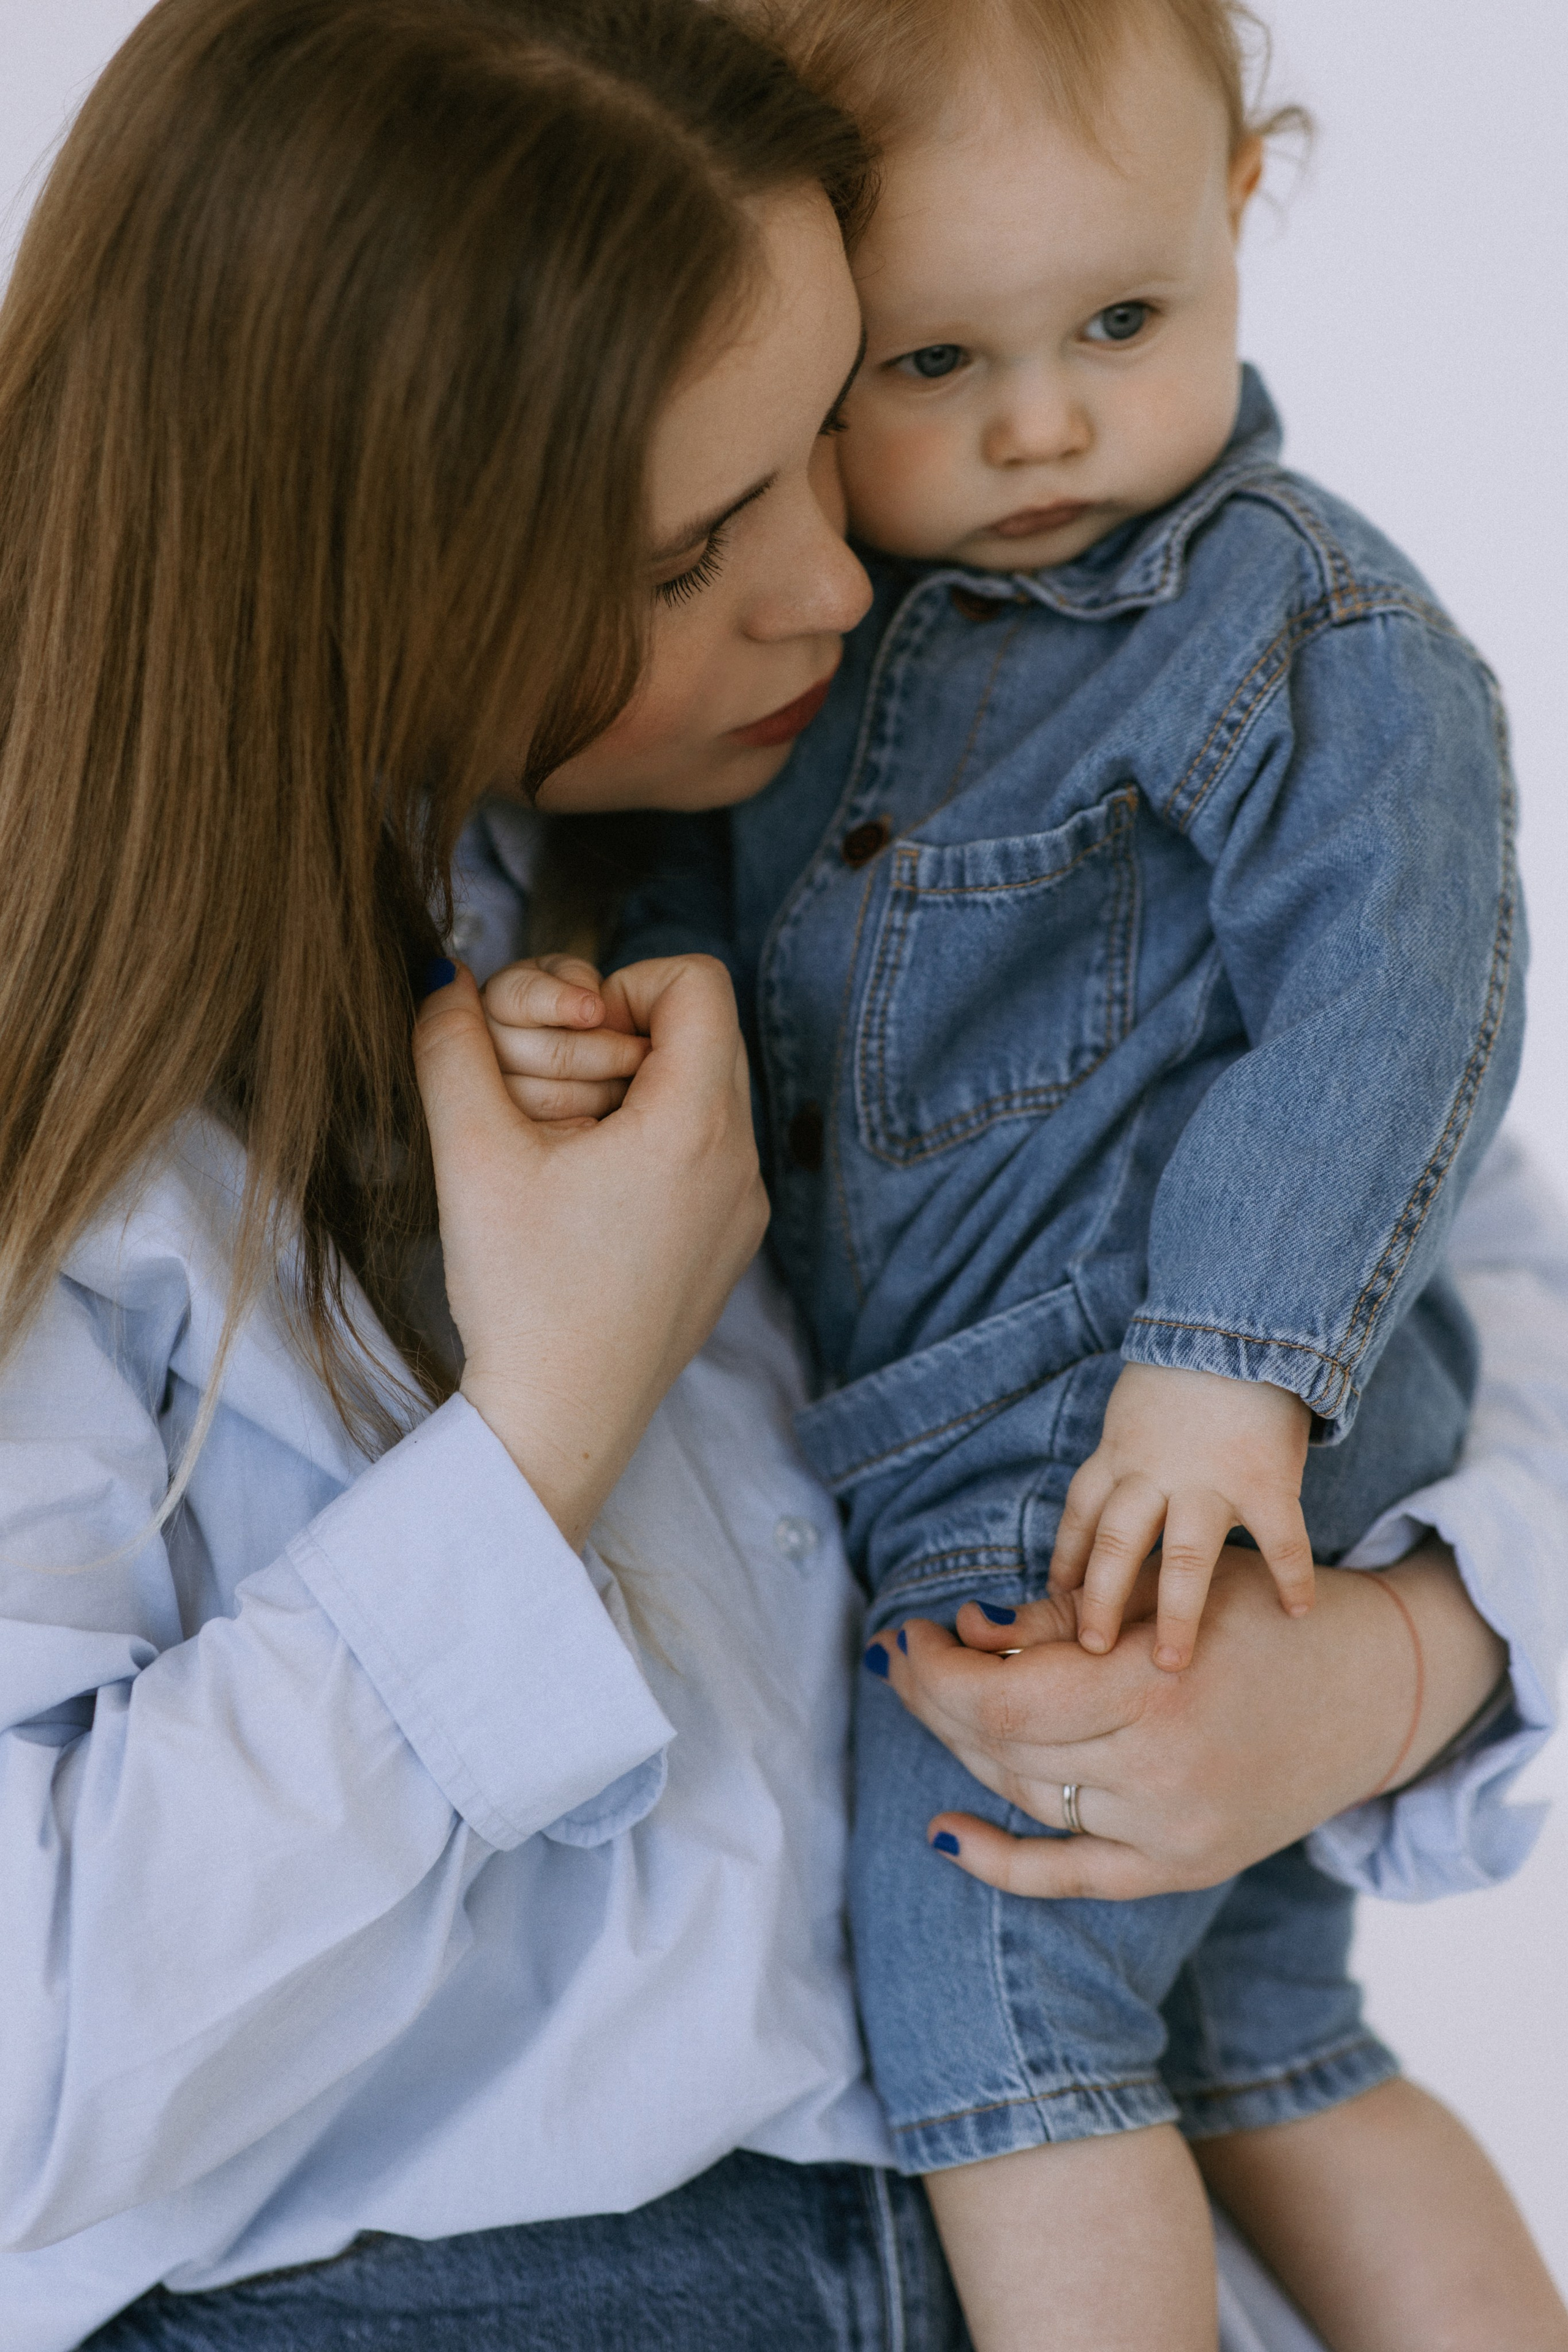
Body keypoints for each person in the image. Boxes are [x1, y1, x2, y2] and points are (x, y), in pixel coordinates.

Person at [0, 5, 1561, 2351]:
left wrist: (1400, 1667)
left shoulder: (870, 778)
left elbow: (1482, 1252)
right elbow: (31, 2066)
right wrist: (541, 1431)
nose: (838, 592)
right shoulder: (92, 1112)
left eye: (828, 436)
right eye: (688, 546)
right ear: (359, 570)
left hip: (1101, 2243)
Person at [494, 0, 1566, 2344]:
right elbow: (726, 912)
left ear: (1243, 212)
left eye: (1118, 320)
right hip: (1066, 1426)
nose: (1046, 420)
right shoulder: (828, 652)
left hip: (1121, 1439)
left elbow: (1405, 1011)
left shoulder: (1301, 622)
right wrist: (608, 981)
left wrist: (1229, 1373)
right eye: (933, 362)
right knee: (1265, 2042)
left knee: (1000, 2027)